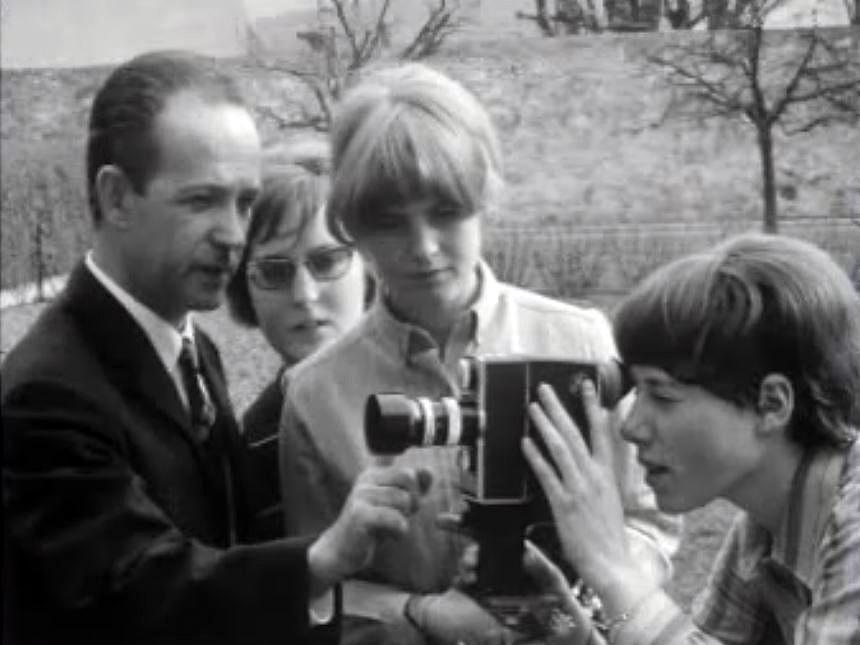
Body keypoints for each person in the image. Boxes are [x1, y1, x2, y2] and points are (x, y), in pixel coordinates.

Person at [1, 50, 432, 645]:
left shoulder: (191, 348)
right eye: (201, 201)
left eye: (245, 202)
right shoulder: (48, 392)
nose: (234, 235)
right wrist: (319, 559)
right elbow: (136, 589)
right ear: (117, 197)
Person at [278, 62, 682, 645]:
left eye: (445, 212)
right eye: (390, 224)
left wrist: (579, 595)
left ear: (484, 195)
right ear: (352, 226)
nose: (423, 248)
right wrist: (419, 611)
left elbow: (651, 520)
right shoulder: (317, 393)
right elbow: (316, 576)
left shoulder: (581, 342)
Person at [523, 233, 860, 644]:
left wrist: (615, 570)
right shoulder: (763, 527)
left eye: (662, 396)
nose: (631, 427)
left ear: (771, 404)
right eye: (636, 393)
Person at [226, 137, 371, 541]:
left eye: (327, 261)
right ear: (244, 286)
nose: (304, 295)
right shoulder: (258, 441)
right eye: (274, 271)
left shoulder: (446, 383)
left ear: (370, 263)